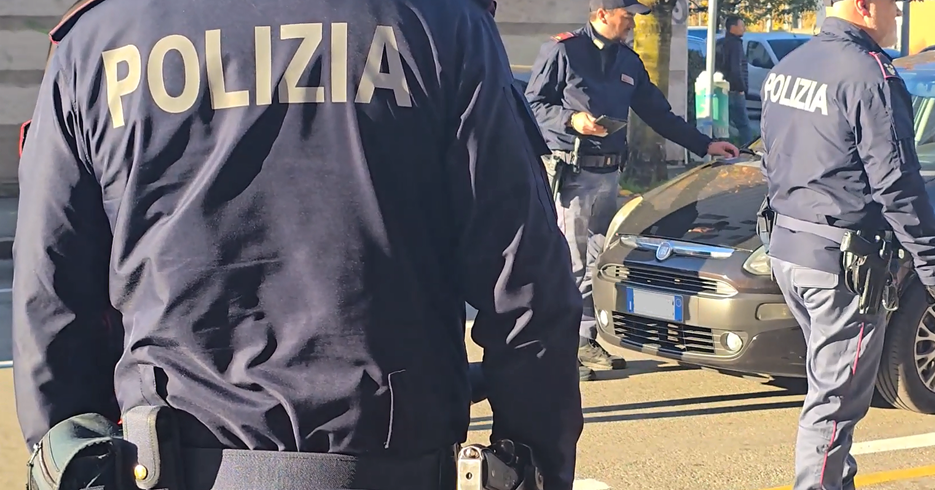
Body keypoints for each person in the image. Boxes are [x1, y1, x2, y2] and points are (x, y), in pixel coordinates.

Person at [12, 0, 584, 488]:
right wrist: (531, 462)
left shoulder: (99, 41)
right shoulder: (439, 25)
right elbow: (528, 285)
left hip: (168, 462)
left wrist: (76, 460)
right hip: (391, 465)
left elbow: (51, 297)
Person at [757, 1, 935, 488]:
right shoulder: (870, 76)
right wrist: (934, 265)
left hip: (791, 248)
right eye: (894, 5)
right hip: (841, 266)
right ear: (865, 7)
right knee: (834, 404)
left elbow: (773, 156)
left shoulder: (791, 65)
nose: (898, 16)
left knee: (828, 385)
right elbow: (897, 184)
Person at [524, 0, 739, 381]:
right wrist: (572, 120)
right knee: (569, 266)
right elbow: (533, 105)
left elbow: (659, 113)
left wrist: (704, 145)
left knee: (596, 263)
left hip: (609, 178)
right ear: (602, 13)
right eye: (627, 16)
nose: (633, 24)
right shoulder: (563, 50)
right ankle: (559, 350)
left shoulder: (627, 60)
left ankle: (583, 338)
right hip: (572, 177)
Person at [715, 14, 754, 145]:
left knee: (723, 123)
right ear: (732, 28)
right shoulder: (735, 45)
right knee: (743, 125)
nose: (744, 28)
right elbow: (736, 69)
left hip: (722, 88)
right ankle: (748, 150)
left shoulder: (721, 43)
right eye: (741, 26)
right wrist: (741, 88)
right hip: (735, 91)